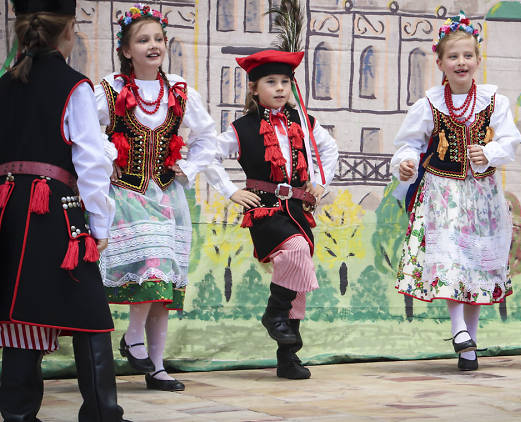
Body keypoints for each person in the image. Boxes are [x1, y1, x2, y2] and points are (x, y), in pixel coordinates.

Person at [94, 3, 253, 391]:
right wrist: (108, 155)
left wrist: (199, 171)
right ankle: (133, 337)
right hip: (126, 194)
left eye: (159, 39)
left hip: (166, 194)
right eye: (143, 40)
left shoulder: (180, 91)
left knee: (162, 282)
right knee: (151, 266)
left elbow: (206, 141)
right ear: (126, 50)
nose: (153, 45)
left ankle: (157, 366)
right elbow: (87, 134)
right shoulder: (110, 88)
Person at [0, 0, 129, 420]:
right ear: (69, 31)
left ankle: (18, 414)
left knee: (22, 308)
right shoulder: (75, 86)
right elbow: (91, 162)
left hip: (7, 208)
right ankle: (101, 412)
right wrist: (100, 221)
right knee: (89, 308)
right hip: (54, 208)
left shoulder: (3, 85)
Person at [391, 12, 521, 371]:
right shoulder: (430, 103)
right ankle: (457, 328)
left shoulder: (495, 100)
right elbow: (407, 143)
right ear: (440, 63)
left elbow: (511, 138)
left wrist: (490, 152)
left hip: (482, 193)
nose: (461, 62)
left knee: (477, 262)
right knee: (450, 254)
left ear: (478, 60)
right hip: (443, 191)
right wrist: (405, 163)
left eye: (467, 56)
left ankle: (468, 347)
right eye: (453, 57)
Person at [215, 50, 338, 379]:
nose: (280, 88)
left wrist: (320, 183)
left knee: (299, 274)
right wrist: (230, 190)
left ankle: (288, 356)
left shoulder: (303, 121)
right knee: (296, 251)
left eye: (285, 81)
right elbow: (209, 154)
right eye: (271, 82)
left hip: (297, 209)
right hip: (266, 210)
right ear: (254, 88)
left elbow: (328, 149)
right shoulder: (242, 127)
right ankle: (274, 314)